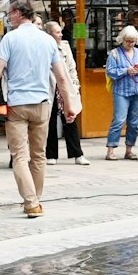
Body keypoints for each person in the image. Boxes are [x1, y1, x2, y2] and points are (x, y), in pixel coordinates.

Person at [0, 3, 76, 216]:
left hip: (17, 105)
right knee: (38, 155)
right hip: (42, 103)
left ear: (19, 14)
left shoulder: (9, 39)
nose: (9, 17)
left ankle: (30, 202)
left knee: (19, 155)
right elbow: (62, 77)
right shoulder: (47, 40)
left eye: (10, 14)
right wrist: (68, 106)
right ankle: (36, 200)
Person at [43, 11, 88, 166]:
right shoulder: (42, 48)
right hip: (49, 88)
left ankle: (77, 154)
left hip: (65, 88)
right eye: (57, 32)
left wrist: (75, 84)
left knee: (70, 119)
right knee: (50, 121)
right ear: (49, 34)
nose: (61, 35)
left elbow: (71, 68)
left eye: (61, 31)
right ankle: (51, 154)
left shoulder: (65, 47)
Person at [103, 25, 138, 160]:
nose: (131, 44)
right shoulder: (114, 54)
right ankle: (110, 150)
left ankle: (129, 150)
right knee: (119, 120)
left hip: (137, 91)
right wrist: (126, 71)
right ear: (122, 39)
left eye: (133, 41)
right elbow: (110, 71)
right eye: (128, 41)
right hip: (121, 92)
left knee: (134, 123)